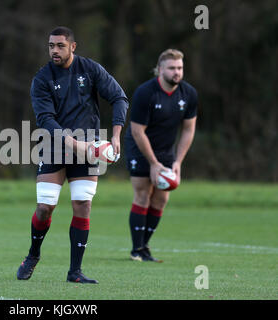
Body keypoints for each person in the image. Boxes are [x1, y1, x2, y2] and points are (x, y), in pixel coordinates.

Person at [16, 26, 129, 283]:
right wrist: (74, 144)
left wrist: (115, 135)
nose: (54, 50)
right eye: (51, 46)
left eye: (60, 46)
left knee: (83, 205)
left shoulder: (90, 70)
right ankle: (33, 255)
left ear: (73, 47)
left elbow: (120, 98)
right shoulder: (42, 79)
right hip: (55, 146)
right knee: (45, 207)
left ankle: (74, 272)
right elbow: (46, 118)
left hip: (88, 148)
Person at [124, 49, 197, 262]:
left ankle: (144, 245)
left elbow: (188, 130)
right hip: (139, 145)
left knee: (162, 197)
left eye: (180, 68)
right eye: (172, 68)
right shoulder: (145, 93)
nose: (177, 72)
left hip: (165, 150)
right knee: (143, 193)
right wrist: (153, 164)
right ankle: (136, 249)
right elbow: (138, 131)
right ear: (160, 69)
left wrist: (178, 162)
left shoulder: (189, 94)